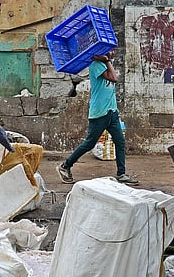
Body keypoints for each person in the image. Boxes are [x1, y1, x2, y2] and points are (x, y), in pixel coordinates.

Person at [57, 50, 138, 185]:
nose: (113, 52)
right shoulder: (96, 65)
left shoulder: (105, 64)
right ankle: (65, 166)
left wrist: (107, 61)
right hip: (99, 113)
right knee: (89, 143)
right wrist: (106, 60)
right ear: (102, 52)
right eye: (110, 51)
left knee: (120, 142)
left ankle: (121, 174)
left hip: (112, 112)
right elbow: (114, 78)